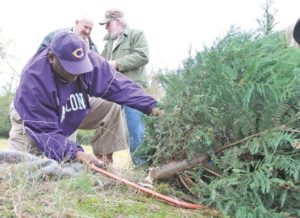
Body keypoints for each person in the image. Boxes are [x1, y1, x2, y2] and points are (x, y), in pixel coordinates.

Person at [8, 31, 161, 166]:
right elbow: (46, 131)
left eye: (80, 67)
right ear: (51, 57)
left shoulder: (90, 61)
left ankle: (104, 162)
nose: (76, 74)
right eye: (70, 68)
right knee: (20, 170)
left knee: (110, 106)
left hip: (70, 109)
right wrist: (77, 153)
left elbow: (120, 86)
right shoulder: (34, 80)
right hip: (32, 120)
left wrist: (153, 107)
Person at [99, 8, 150, 165]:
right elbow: (100, 62)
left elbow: (143, 56)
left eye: (108, 24)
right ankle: (104, 165)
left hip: (133, 88)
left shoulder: (136, 34)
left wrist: (117, 63)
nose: (106, 28)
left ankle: (141, 167)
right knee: (105, 123)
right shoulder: (108, 42)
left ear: (119, 22)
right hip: (113, 90)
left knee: (135, 127)